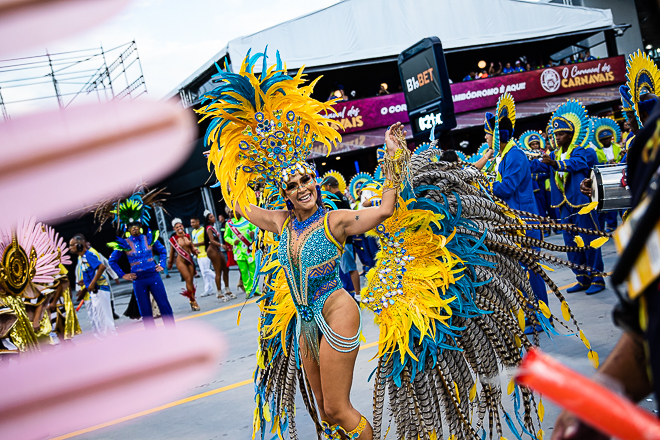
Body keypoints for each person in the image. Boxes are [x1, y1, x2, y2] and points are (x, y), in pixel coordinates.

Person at [476, 93, 549, 331]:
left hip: (524, 222)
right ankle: (530, 314)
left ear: (498, 136)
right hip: (513, 223)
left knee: (530, 270)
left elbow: (506, 188)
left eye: (488, 133)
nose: (486, 138)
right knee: (520, 271)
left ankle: (539, 317)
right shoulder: (504, 155)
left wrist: (483, 184)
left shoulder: (515, 156)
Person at [531, 100, 606, 295]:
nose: (557, 138)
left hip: (582, 203)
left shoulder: (581, 150)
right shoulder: (553, 153)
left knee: (589, 239)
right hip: (564, 206)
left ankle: (597, 278)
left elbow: (576, 164)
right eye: (555, 134)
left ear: (571, 135)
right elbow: (540, 167)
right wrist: (524, 160)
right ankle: (582, 278)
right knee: (570, 243)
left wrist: (555, 163)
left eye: (561, 134)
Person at [101, 190, 175, 329]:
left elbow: (163, 250)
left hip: (153, 276)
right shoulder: (124, 243)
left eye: (136, 224)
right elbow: (112, 261)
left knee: (164, 305)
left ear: (140, 225)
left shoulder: (149, 237)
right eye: (131, 226)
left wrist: (161, 264)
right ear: (127, 228)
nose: (134, 227)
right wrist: (123, 275)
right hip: (138, 280)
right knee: (145, 311)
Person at [70, 234, 117, 337]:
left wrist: (92, 283)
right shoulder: (82, 257)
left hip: (100, 290)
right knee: (100, 320)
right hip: (95, 291)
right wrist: (85, 281)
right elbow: (90, 271)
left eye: (72, 245)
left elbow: (102, 266)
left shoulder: (88, 255)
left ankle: (113, 340)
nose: (70, 248)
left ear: (79, 245)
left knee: (106, 320)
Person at [322, 175, 361, 297]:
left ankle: (358, 294)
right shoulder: (343, 197)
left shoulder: (334, 199)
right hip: (347, 237)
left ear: (328, 186)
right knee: (346, 267)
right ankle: (352, 292)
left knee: (350, 267)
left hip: (342, 239)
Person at [167, 218, 200, 311]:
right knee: (188, 279)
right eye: (176, 227)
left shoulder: (188, 236)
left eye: (180, 226)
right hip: (180, 261)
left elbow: (192, 248)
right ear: (174, 229)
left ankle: (191, 298)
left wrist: (196, 251)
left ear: (183, 226)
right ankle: (193, 301)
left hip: (189, 260)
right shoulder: (174, 240)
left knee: (191, 281)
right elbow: (172, 253)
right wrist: (170, 263)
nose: (179, 228)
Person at [224, 211, 258, 297]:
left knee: (253, 270)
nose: (234, 213)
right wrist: (232, 241)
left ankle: (256, 289)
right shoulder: (229, 224)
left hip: (249, 250)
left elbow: (255, 228)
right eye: (231, 212)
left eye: (236, 211)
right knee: (244, 272)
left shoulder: (247, 220)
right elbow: (226, 237)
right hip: (239, 252)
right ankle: (248, 290)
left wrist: (253, 232)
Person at [205, 210, 234, 300]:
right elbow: (212, 240)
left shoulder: (213, 227)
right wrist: (221, 245)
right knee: (218, 271)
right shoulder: (209, 228)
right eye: (211, 217)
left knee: (226, 268)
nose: (214, 218)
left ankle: (227, 289)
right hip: (212, 250)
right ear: (208, 219)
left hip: (217, 249)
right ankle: (219, 292)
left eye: (213, 216)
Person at [191, 216, 215, 297]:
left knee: (206, 271)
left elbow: (207, 241)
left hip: (205, 253)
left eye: (193, 222)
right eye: (191, 222)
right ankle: (208, 289)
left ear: (198, 222)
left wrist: (195, 244)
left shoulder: (203, 230)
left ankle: (219, 281)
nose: (192, 224)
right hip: (198, 255)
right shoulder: (193, 232)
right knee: (204, 273)